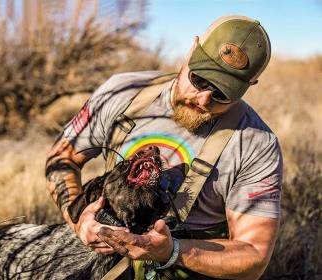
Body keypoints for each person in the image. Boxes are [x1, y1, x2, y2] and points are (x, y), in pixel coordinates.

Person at [45, 15, 282, 279]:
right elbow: (62, 156)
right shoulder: (123, 92)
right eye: (200, 79)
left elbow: (254, 254)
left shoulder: (256, 144)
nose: (203, 99)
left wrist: (173, 251)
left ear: (249, 87)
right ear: (192, 50)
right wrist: (78, 220)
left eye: (222, 93)